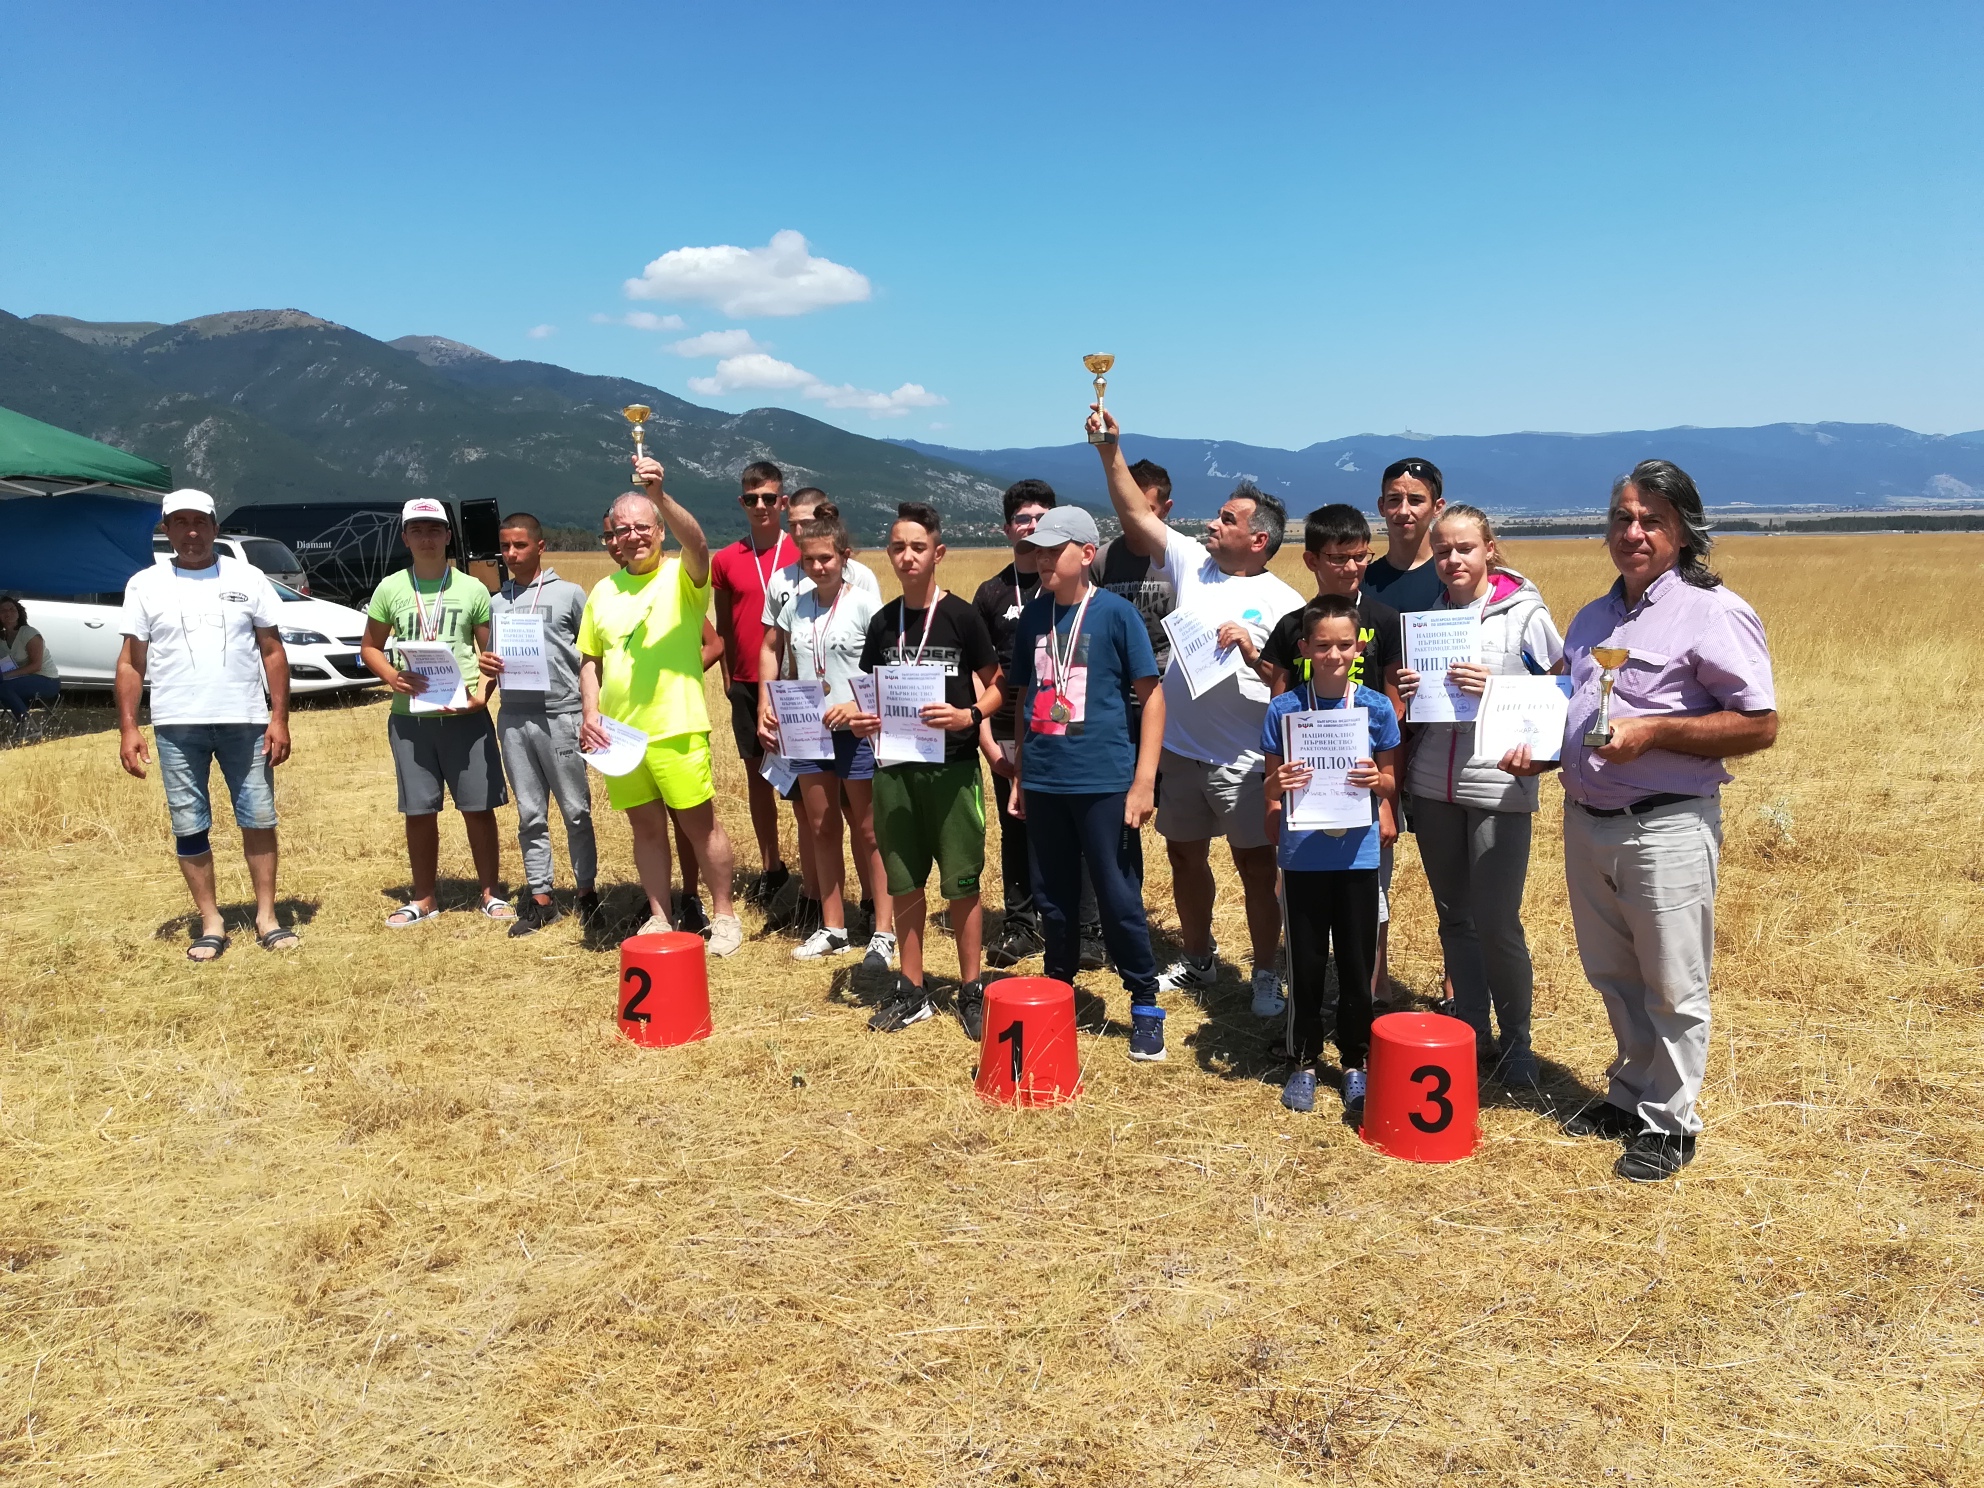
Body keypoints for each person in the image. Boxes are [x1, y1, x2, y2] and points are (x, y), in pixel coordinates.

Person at [1503, 459, 1777, 1182]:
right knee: (1613, 973)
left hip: (1667, 826)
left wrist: (1655, 733)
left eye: (1653, 520)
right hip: (1587, 820)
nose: (1634, 532)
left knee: (1673, 982)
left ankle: (1671, 1123)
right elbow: (1573, 712)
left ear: (1683, 532)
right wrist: (1541, 756)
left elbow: (1760, 723)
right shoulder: (1593, 619)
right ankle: (1629, 1095)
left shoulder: (1714, 612)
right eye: (1623, 518)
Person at [1091, 407, 1306, 1017]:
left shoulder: (1285, 603)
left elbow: (1294, 688)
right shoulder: (1193, 564)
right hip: (1183, 753)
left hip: (1245, 760)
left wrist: (1253, 652)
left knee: (1256, 868)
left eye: (1227, 519)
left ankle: (1265, 972)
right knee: (1184, 857)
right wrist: (1109, 450)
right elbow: (1136, 513)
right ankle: (1198, 957)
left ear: (1259, 539)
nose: (1213, 522)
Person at [1393, 505, 1564, 1086]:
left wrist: (1500, 686)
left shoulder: (1524, 614)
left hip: (1498, 783)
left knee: (1497, 922)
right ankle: (1470, 1031)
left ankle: (1517, 1042)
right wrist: (1410, 687)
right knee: (1455, 918)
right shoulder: (1429, 618)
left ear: (1489, 548)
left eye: (1464, 548)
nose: (1452, 560)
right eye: (1442, 551)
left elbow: (1562, 690)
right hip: (1431, 783)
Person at [1005, 506, 1168, 1058]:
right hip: (1045, 781)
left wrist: (1143, 781)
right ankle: (1059, 990)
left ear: (1087, 553)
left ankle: (1144, 1002)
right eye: (1039, 551)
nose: (1044, 560)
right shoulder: (1034, 616)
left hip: (1104, 781)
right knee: (1052, 896)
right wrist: (1021, 775)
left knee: (1117, 895)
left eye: (1056, 551)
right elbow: (1025, 702)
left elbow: (1152, 700)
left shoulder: (1117, 615)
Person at [116, 489, 298, 960]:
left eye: (200, 522)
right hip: (177, 725)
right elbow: (132, 661)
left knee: (258, 818)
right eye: (181, 523)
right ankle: (211, 920)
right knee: (189, 824)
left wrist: (279, 717)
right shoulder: (145, 584)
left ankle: (267, 916)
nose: (192, 532)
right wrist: (129, 728)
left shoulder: (248, 577)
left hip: (246, 720)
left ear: (215, 527)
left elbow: (272, 650)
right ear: (166, 530)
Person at [577, 460, 743, 954]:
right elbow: (590, 661)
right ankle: (659, 916)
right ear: (613, 537)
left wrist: (660, 495)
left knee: (700, 827)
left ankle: (725, 917)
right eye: (623, 530)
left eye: (643, 527)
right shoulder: (603, 592)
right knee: (645, 830)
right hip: (619, 736)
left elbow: (700, 545)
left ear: (659, 531)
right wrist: (590, 715)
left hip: (676, 727)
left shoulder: (682, 577)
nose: (633, 537)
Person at [850, 501, 1002, 1036]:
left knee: (962, 883)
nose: (907, 556)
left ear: (939, 553)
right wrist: (863, 721)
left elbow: (998, 683)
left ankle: (971, 988)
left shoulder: (961, 616)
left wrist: (970, 715)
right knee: (905, 882)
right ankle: (911, 988)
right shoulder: (882, 622)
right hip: (894, 770)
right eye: (898, 547)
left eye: (918, 547)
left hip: (952, 770)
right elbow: (870, 693)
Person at [1261, 595, 1401, 1114]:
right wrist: (1277, 783)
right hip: (1303, 856)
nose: (1334, 655)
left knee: (1358, 964)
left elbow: (1390, 783)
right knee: (1305, 963)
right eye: (1322, 645)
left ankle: (1355, 1062)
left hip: (1357, 855)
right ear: (1304, 649)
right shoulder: (1285, 710)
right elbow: (1269, 791)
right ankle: (1302, 1060)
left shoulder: (1376, 708)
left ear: (1359, 647)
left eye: (1344, 645)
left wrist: (1377, 781)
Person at [359, 498, 514, 926]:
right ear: (405, 538)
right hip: (411, 719)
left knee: (478, 808)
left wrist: (483, 694)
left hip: (465, 715)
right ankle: (424, 898)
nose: (426, 538)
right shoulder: (390, 588)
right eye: (417, 530)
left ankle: (490, 893)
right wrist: (392, 677)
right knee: (419, 810)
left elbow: (492, 653)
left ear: (448, 536)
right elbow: (369, 647)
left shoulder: (473, 588)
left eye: (434, 530)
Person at [973, 480, 1101, 971]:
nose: (1031, 528)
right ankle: (1021, 922)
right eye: (1022, 519)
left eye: (1040, 519)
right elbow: (976, 671)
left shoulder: (1072, 588)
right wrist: (987, 740)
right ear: (1008, 529)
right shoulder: (991, 593)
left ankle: (1085, 928)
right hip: (1008, 726)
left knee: (1076, 826)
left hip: (1065, 726)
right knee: (1015, 825)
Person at [757, 512, 891, 965]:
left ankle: (884, 930)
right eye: (809, 560)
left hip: (855, 729)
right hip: (809, 729)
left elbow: (885, 669)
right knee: (821, 825)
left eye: (826, 559)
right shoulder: (795, 607)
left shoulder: (866, 605)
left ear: (844, 557)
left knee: (869, 829)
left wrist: (855, 705)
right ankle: (834, 927)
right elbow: (784, 659)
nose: (818, 567)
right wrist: (770, 704)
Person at [478, 512, 601, 937]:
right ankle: (541, 897)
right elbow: (492, 658)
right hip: (514, 717)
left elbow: (592, 655)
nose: (511, 554)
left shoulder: (569, 595)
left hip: (560, 714)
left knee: (576, 811)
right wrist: (487, 665)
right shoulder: (497, 601)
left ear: (540, 546)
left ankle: (587, 893)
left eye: (520, 545)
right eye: (505, 547)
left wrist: (590, 709)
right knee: (530, 813)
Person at [710, 460, 798, 907]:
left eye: (768, 498)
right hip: (746, 682)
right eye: (751, 499)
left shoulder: (803, 551)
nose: (760, 506)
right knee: (758, 777)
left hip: (798, 683)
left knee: (808, 781)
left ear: (783, 501)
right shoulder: (726, 560)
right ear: (741, 502)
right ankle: (771, 867)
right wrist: (728, 679)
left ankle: (817, 873)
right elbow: (724, 625)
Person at [1091, 458, 1179, 673]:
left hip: (1170, 677)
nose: (1135, 517)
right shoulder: (1100, 561)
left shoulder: (1184, 560)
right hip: (1116, 676)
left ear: (1166, 509)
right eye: (1128, 507)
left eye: (1147, 510)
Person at [1364, 457, 1449, 613]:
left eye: (1415, 500)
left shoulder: (1454, 577)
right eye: (1394, 499)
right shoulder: (1360, 584)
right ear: (1381, 506)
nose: (1403, 511)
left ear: (1437, 508)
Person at [0, 595, 61, 719]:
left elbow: (36, 666)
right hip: (20, 679)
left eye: (12, 609)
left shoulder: (29, 633)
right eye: (3, 610)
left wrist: (5, 676)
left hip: (46, 680)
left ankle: (26, 724)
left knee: (4, 688)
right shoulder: (1, 637)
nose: (8, 613)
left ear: (19, 613)